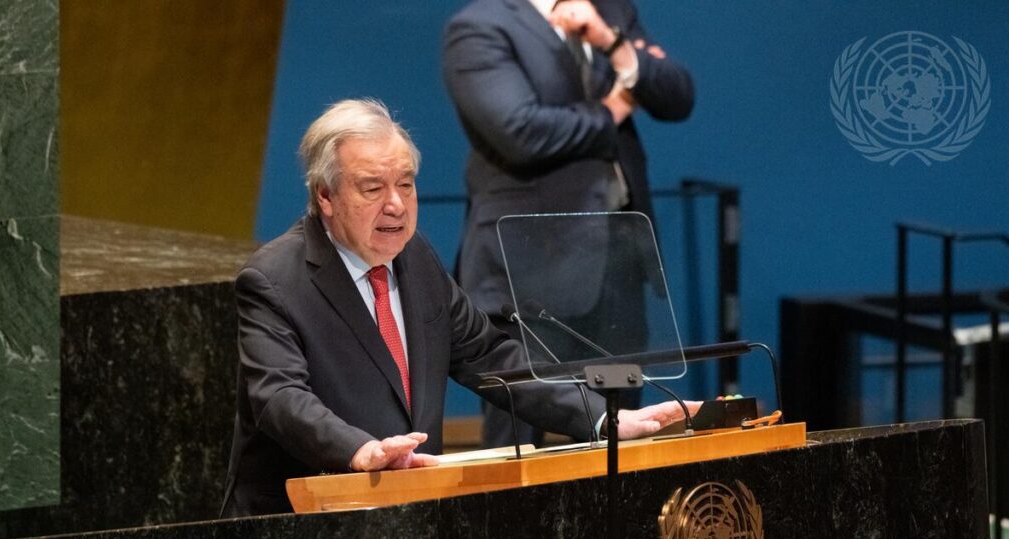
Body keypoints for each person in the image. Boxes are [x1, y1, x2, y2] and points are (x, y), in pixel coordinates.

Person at [220, 99, 698, 517]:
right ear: (325, 195)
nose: (396, 205)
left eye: (405, 185)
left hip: (407, 517)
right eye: (372, 188)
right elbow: (279, 398)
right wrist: (360, 450)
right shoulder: (275, 279)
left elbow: (491, 357)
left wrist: (603, 418)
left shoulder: (416, 259)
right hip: (297, 533)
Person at [442, 0, 695, 448]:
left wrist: (610, 41)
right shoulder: (480, 26)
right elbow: (522, 133)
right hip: (530, 271)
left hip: (617, 268)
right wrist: (616, 106)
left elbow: (676, 95)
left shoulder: (610, 12)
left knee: (621, 426)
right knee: (519, 433)